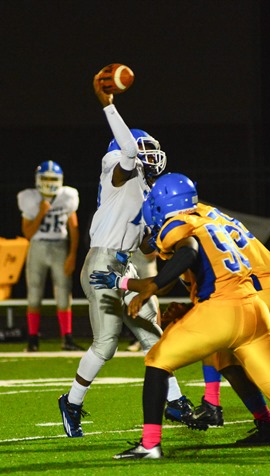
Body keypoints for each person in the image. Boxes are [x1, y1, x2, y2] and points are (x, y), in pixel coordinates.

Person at [90, 172, 270, 460]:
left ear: (162, 204)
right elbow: (208, 272)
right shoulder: (207, 218)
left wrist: (144, 286)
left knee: (157, 360)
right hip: (252, 306)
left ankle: (151, 443)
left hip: (229, 306)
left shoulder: (179, 224)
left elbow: (187, 253)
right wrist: (134, 286)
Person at [58, 75, 194, 438]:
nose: (146, 152)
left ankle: (176, 402)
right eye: (139, 145)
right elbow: (129, 153)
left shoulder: (148, 189)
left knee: (154, 334)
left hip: (125, 264)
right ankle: (71, 401)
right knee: (106, 344)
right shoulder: (119, 171)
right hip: (101, 262)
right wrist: (108, 104)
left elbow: (147, 244)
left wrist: (164, 240)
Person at [162, 201, 270, 445]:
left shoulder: (186, 230)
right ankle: (267, 425)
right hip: (267, 285)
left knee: (211, 332)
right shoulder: (205, 214)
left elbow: (208, 298)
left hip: (254, 289)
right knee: (224, 356)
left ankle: (212, 404)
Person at [17, 161, 82, 352]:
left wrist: (72, 254)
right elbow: (27, 233)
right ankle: (32, 339)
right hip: (38, 246)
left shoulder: (67, 196)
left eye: (52, 179)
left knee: (63, 293)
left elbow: (74, 228)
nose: (48, 183)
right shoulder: (30, 198)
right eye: (45, 178)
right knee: (34, 294)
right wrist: (41, 213)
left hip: (60, 247)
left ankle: (67, 338)